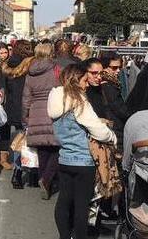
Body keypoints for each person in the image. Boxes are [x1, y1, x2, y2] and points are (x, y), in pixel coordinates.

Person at [48, 63, 117, 239]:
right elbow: (97, 130)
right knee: (81, 206)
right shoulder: (78, 101)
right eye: (85, 80)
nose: (87, 84)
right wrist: (112, 137)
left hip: (65, 158)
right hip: (84, 161)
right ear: (77, 80)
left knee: (63, 201)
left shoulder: (56, 98)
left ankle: (64, 236)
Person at [22, 42, 61, 199]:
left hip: (36, 113)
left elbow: (25, 99)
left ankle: (43, 180)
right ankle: (46, 180)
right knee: (58, 149)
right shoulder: (57, 70)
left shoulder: (30, 73)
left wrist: (25, 119)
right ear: (50, 53)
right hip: (54, 111)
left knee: (42, 152)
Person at [1, 40, 35, 189]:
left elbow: (7, 89)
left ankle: (18, 172)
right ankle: (32, 174)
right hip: (30, 107)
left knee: (20, 139)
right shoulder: (32, 65)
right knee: (33, 141)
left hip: (14, 107)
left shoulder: (9, 64)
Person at [84, 57, 124, 131]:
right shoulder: (80, 93)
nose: (99, 77)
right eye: (94, 73)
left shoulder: (105, 88)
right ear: (85, 73)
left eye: (101, 73)